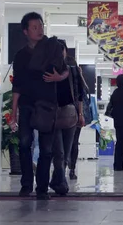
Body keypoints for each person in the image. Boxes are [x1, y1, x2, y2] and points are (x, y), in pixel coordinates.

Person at [9, 12, 69, 200]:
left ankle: (42, 188)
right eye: (34, 27)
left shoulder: (53, 48)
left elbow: (66, 70)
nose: (39, 30)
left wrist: (60, 77)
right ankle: (27, 184)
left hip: (47, 104)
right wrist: (13, 112)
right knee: (25, 143)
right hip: (26, 105)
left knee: (47, 149)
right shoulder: (20, 56)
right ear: (26, 31)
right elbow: (16, 85)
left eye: (41, 26)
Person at [49, 40, 85, 195]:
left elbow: (79, 94)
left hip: (70, 114)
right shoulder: (47, 69)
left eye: (61, 50)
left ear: (65, 52)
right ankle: (61, 182)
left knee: (67, 149)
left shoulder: (72, 70)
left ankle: (56, 180)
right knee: (59, 151)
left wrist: (81, 114)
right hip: (52, 116)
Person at [69, 66, 90, 181]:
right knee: (74, 142)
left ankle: (65, 166)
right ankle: (72, 169)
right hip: (77, 115)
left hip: (66, 114)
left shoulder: (65, 80)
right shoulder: (79, 82)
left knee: (65, 141)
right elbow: (86, 91)